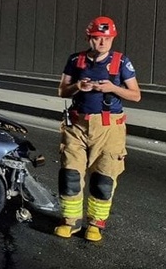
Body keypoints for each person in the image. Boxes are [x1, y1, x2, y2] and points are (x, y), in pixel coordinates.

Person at [54, 16, 142, 241]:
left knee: (103, 178)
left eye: (106, 38)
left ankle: (95, 224)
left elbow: (136, 95)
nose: (102, 43)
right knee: (70, 174)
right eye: (96, 38)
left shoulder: (121, 63)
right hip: (78, 126)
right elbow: (62, 91)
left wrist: (112, 87)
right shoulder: (76, 60)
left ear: (112, 38)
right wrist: (77, 86)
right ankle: (70, 221)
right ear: (89, 38)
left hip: (109, 128)